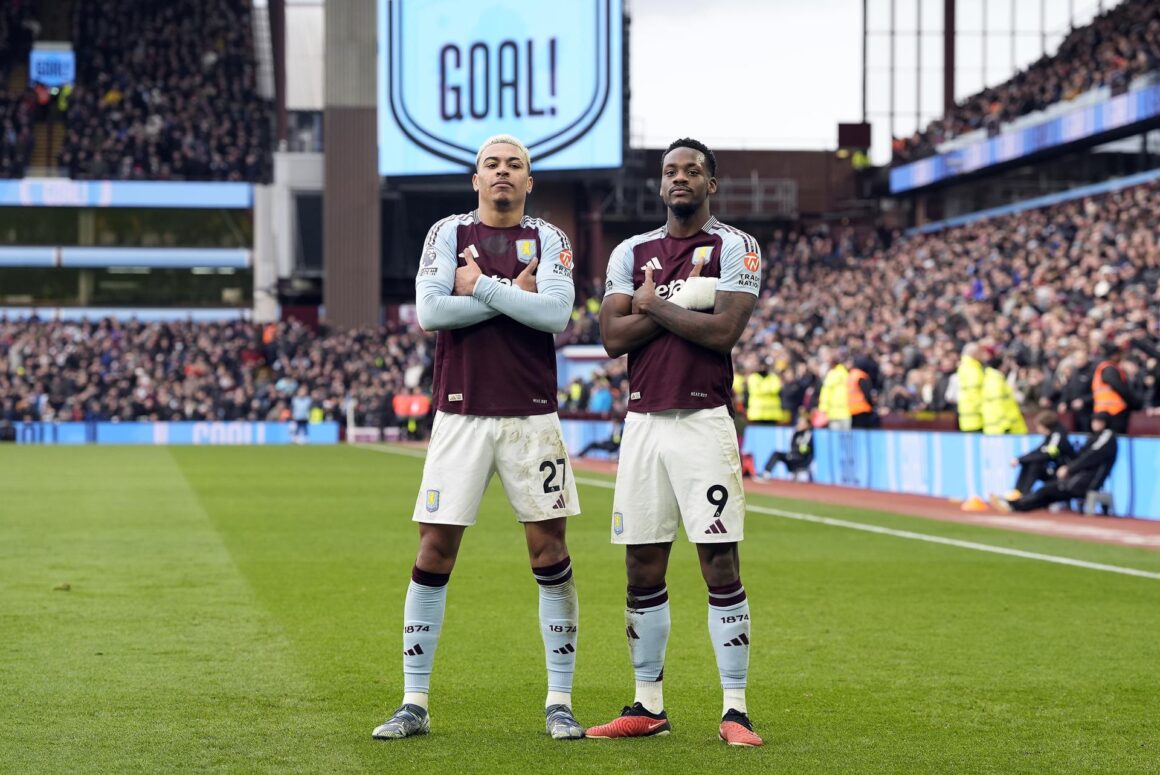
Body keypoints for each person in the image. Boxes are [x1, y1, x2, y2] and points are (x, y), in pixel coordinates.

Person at [373, 135, 584, 741]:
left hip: (531, 416)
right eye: (491, 164)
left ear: (529, 180)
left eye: (513, 165)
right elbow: (432, 313)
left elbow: (555, 317)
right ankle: (414, 702)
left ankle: (559, 700)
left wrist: (483, 289)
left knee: (550, 553)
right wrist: (517, 294)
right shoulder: (447, 233)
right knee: (433, 550)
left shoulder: (552, 238)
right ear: (475, 178)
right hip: (460, 416)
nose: (502, 173)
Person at [587, 138, 764, 747]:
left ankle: (735, 708)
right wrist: (684, 300)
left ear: (712, 183)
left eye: (692, 170)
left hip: (704, 422)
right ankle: (648, 703)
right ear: (659, 184)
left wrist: (653, 304)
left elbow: (723, 332)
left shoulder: (736, 246)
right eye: (670, 171)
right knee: (641, 563)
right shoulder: (630, 251)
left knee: (718, 561)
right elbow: (611, 337)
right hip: (642, 424)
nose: (679, 178)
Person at [992, 413, 1117, 513]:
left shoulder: (1106, 437)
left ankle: (1016, 503)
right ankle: (1016, 503)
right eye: (1093, 421)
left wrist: (1069, 469)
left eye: (1098, 421)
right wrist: (1020, 459)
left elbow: (1089, 457)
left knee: (1045, 490)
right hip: (1072, 477)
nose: (1094, 424)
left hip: (1080, 481)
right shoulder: (1092, 437)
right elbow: (1040, 451)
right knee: (1044, 489)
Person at [1006, 410, 1075, 499]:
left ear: (1045, 426)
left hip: (1063, 472)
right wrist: (1019, 459)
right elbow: (1038, 451)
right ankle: (1017, 493)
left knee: (1035, 465)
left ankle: (1023, 498)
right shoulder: (1050, 436)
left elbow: (1047, 454)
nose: (1037, 429)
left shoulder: (1057, 436)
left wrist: (1020, 460)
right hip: (1054, 469)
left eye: (1038, 426)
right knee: (1029, 462)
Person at [1091, 342, 1140, 434]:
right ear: (1114, 355)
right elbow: (1119, 387)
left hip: (1102, 410)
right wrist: (1135, 402)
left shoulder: (1101, 368)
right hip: (1114, 412)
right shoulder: (1109, 368)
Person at [982, 350, 1027, 435]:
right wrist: (1005, 425)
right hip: (1001, 429)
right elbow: (998, 404)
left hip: (997, 427)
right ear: (1001, 366)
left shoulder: (993, 379)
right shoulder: (995, 382)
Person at [758, 414, 814, 480]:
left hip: (801, 459)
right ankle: (766, 473)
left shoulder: (808, 434)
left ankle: (797, 473)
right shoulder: (796, 433)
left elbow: (803, 449)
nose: (799, 424)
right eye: (799, 422)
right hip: (792, 456)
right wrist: (796, 432)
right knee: (776, 454)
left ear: (807, 425)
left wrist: (794, 453)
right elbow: (792, 445)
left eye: (802, 422)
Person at [956, 343, 984, 432]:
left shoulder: (964, 366)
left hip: (967, 415)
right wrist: (983, 408)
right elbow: (974, 391)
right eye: (980, 353)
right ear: (974, 354)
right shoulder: (972, 368)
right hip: (975, 416)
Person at [847, 355, 878, 429]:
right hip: (863, 409)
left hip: (851, 409)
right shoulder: (861, 375)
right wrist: (872, 405)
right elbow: (867, 393)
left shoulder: (851, 375)